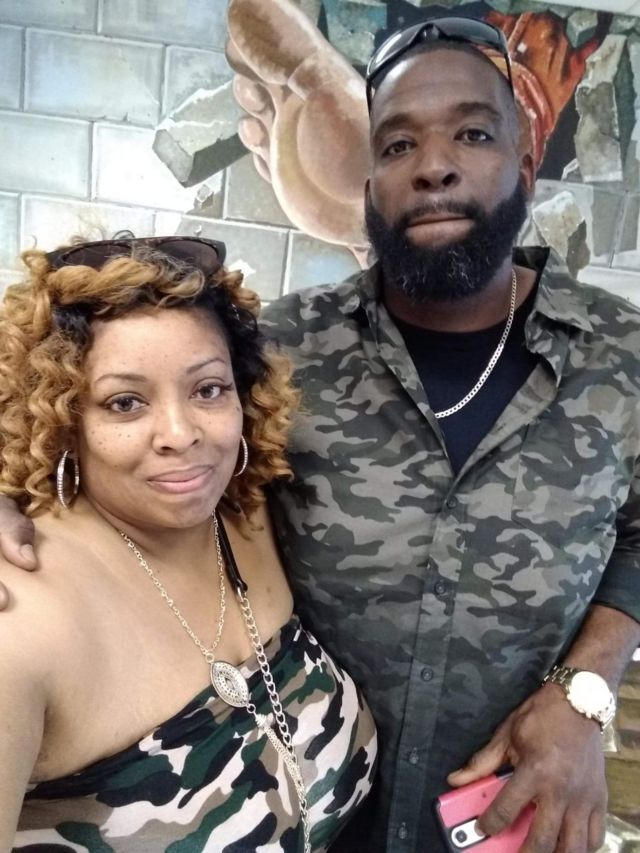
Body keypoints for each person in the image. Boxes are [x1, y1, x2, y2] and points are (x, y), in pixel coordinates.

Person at [1, 15, 640, 853]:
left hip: (508, 817)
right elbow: (78, 394)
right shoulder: (281, 351)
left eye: (473, 133)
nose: (434, 164)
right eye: (398, 144)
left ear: (524, 163)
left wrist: (584, 691)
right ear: (368, 185)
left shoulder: (624, 359)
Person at [0, 235, 376, 851]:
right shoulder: (20, 618)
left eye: (208, 390)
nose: (180, 434)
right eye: (125, 402)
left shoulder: (248, 514)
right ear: (63, 418)